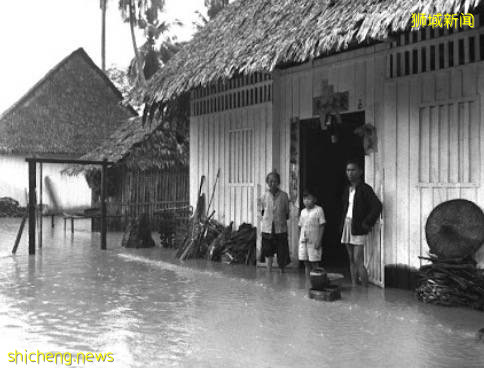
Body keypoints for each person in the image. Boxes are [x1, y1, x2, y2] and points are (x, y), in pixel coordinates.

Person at [340, 160, 382, 287]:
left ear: (360, 172)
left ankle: (365, 289)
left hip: (358, 226)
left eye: (353, 170)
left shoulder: (365, 189)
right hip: (347, 225)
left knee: (358, 260)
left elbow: (377, 206)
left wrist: (367, 222)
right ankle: (354, 287)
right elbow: (345, 208)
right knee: (351, 259)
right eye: (348, 170)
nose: (350, 173)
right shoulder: (347, 189)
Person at [260, 171, 290, 273]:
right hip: (267, 228)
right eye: (270, 181)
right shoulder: (263, 196)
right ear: (267, 183)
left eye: (275, 181)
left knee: (282, 251)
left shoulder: (284, 196)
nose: (273, 183)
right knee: (268, 251)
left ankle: (283, 272)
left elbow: (287, 213)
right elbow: (261, 212)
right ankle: (269, 272)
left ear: (279, 182)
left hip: (280, 228)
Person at [298, 191, 326, 276]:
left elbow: (322, 225)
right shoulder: (303, 212)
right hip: (304, 241)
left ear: (315, 200)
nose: (306, 201)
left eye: (309, 199)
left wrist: (319, 240)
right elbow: (300, 226)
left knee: (314, 263)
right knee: (306, 262)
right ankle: (308, 282)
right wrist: (301, 239)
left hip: (314, 241)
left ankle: (316, 282)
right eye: (305, 199)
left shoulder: (319, 210)